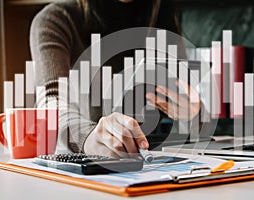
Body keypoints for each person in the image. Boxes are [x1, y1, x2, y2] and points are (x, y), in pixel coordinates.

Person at [30, 0, 200, 158]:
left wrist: (193, 114)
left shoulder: (162, 17)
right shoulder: (56, 19)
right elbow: (51, 103)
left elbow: (185, 97)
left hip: (151, 162)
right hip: (82, 164)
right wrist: (88, 137)